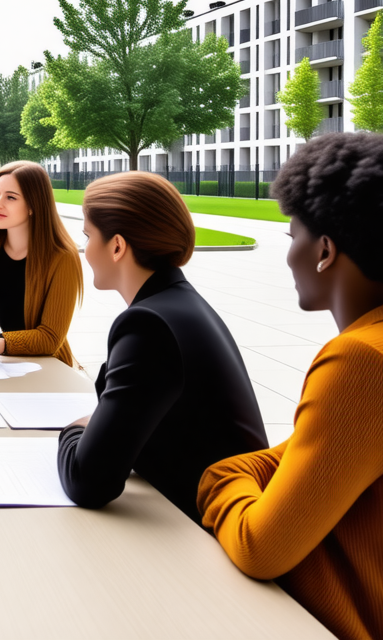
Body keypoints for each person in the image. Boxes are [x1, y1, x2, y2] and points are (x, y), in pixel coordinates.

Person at [197, 133, 383, 640]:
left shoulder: (362, 361)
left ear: (323, 250)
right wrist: (259, 470)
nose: (288, 254)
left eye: (292, 234)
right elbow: (303, 459)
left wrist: (219, 480)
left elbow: (259, 546)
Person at [55, 172, 266, 522]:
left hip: (206, 532)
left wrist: (74, 430)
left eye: (88, 236)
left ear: (118, 246)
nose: (84, 249)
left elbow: (88, 482)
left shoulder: (149, 326)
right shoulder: (179, 304)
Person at [0, 160, 82, 367]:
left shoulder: (62, 257)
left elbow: (50, 338)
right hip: (7, 361)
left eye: (10, 197)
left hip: (51, 365)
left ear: (33, 206)